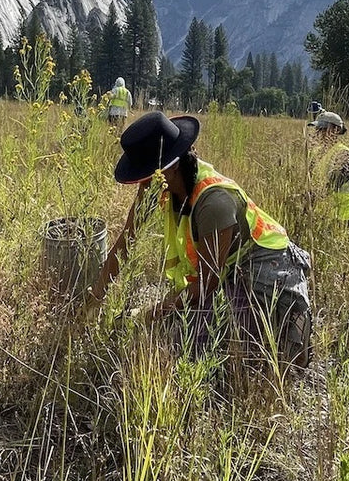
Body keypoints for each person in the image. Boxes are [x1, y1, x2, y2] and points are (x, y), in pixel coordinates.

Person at [94, 112, 313, 369]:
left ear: (170, 167)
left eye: (144, 174)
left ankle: (277, 332)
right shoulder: (159, 186)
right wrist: (94, 299)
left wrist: (148, 314)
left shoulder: (213, 202)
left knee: (201, 344)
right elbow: (125, 244)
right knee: (181, 327)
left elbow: (207, 284)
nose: (140, 183)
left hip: (267, 270)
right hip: (227, 271)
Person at [307, 109, 349, 227]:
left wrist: (312, 197)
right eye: (317, 129)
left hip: (342, 215)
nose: (319, 132)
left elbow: (335, 183)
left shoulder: (344, 154)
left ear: (337, 130)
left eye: (323, 129)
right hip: (322, 213)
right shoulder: (316, 152)